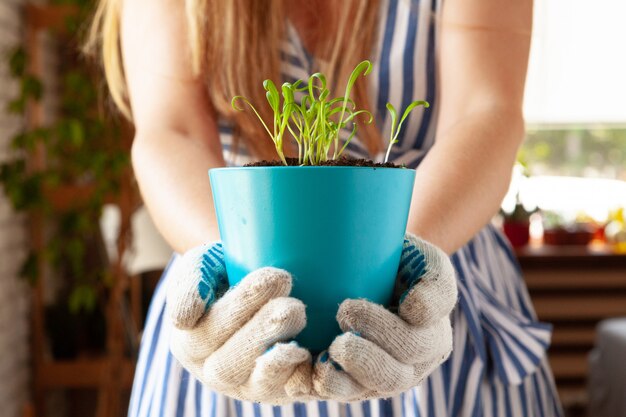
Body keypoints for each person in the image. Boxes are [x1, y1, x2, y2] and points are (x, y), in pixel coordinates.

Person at [87, 0, 564, 416]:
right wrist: (231, 282)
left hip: (435, 289)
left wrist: (398, 267)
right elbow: (172, 132)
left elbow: (487, 110)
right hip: (235, 324)